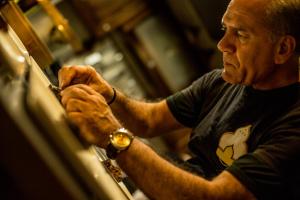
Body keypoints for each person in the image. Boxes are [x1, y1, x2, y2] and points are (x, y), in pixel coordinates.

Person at [58, 0, 300, 199]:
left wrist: (113, 136)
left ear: (282, 49)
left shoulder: (293, 125)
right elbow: (148, 120)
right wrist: (109, 95)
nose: (223, 44)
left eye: (241, 34)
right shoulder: (220, 82)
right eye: (226, 29)